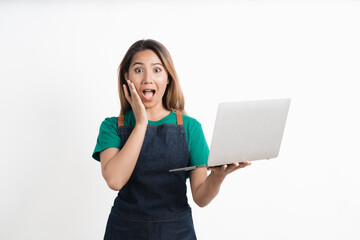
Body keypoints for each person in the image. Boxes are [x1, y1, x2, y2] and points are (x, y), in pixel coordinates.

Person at [92, 39, 251, 240]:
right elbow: (115, 180)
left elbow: (201, 197)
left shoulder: (190, 127)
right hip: (124, 231)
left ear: (168, 78)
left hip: (176, 232)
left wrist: (218, 176)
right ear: (127, 77)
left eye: (157, 70)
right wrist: (141, 124)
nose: (148, 79)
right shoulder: (112, 126)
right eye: (139, 70)